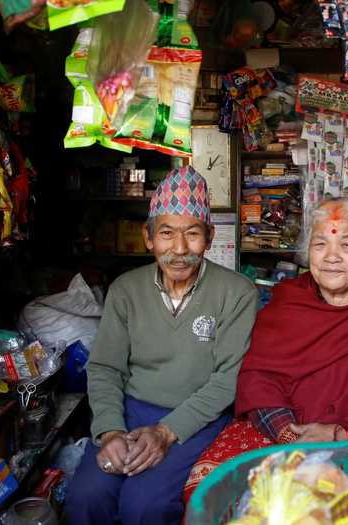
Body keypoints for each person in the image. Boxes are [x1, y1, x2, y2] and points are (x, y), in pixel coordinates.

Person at [184, 197, 348, 502]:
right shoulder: (286, 304)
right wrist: (290, 436)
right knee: (211, 488)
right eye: (320, 245)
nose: (332, 257)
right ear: (308, 253)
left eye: (347, 245)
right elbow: (258, 378)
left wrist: (339, 434)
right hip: (279, 435)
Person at [66, 166, 258, 525]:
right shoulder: (126, 290)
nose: (180, 249)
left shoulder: (237, 293)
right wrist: (110, 430)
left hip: (197, 419)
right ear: (148, 237)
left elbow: (228, 380)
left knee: (145, 506)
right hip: (129, 412)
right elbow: (106, 367)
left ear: (210, 237)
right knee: (85, 497)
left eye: (193, 234)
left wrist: (166, 432)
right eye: (167, 233)